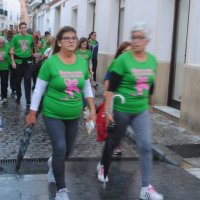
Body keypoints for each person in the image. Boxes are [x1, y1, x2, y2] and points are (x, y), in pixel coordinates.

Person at [26, 26, 96, 200]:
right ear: (59, 42)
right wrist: (32, 112)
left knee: (67, 151)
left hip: (74, 115)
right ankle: (61, 190)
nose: (72, 40)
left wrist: (92, 109)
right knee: (60, 147)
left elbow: (86, 87)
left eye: (74, 37)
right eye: (67, 38)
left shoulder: (81, 62)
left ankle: (53, 163)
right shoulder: (51, 62)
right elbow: (38, 89)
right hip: (53, 114)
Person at [97, 22, 163, 200]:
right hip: (121, 107)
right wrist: (108, 111)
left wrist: (150, 104)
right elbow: (111, 88)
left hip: (140, 110)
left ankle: (146, 188)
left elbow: (151, 84)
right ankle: (103, 164)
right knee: (114, 141)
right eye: (133, 37)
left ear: (147, 40)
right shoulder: (122, 60)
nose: (136, 41)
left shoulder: (151, 60)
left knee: (145, 146)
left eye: (140, 37)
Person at [103, 41, 132, 156]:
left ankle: (116, 142)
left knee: (123, 124)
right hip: (115, 98)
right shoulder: (115, 63)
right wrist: (107, 91)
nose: (127, 54)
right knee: (115, 123)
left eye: (130, 51)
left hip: (127, 100)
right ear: (120, 52)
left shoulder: (133, 65)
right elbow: (107, 79)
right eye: (125, 51)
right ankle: (114, 145)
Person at [10, 22, 34, 107]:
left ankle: (28, 99)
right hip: (18, 62)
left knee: (28, 80)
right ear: (19, 28)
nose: (24, 29)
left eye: (25, 27)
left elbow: (32, 49)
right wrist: (13, 62)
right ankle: (19, 96)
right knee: (18, 81)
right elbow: (11, 51)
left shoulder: (30, 37)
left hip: (27, 62)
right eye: (22, 27)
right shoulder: (15, 37)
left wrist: (32, 57)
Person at [76, 37, 93, 110]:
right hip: (77, 72)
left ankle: (84, 105)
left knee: (86, 88)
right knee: (78, 88)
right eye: (83, 44)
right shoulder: (76, 51)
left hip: (86, 72)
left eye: (85, 44)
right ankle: (78, 103)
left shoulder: (89, 52)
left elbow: (90, 63)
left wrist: (91, 71)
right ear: (80, 44)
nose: (84, 46)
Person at [0, 36, 10, 103]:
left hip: (5, 67)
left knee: (4, 83)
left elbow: (7, 56)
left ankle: (4, 96)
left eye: (2, 43)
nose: (1, 44)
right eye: (0, 43)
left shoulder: (7, 47)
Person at [7, 30, 16, 96]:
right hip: (7, 62)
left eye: (10, 37)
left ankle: (13, 88)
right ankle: (8, 87)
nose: (9, 38)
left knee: (12, 76)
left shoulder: (13, 43)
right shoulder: (6, 44)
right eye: (8, 37)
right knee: (7, 76)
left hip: (12, 62)